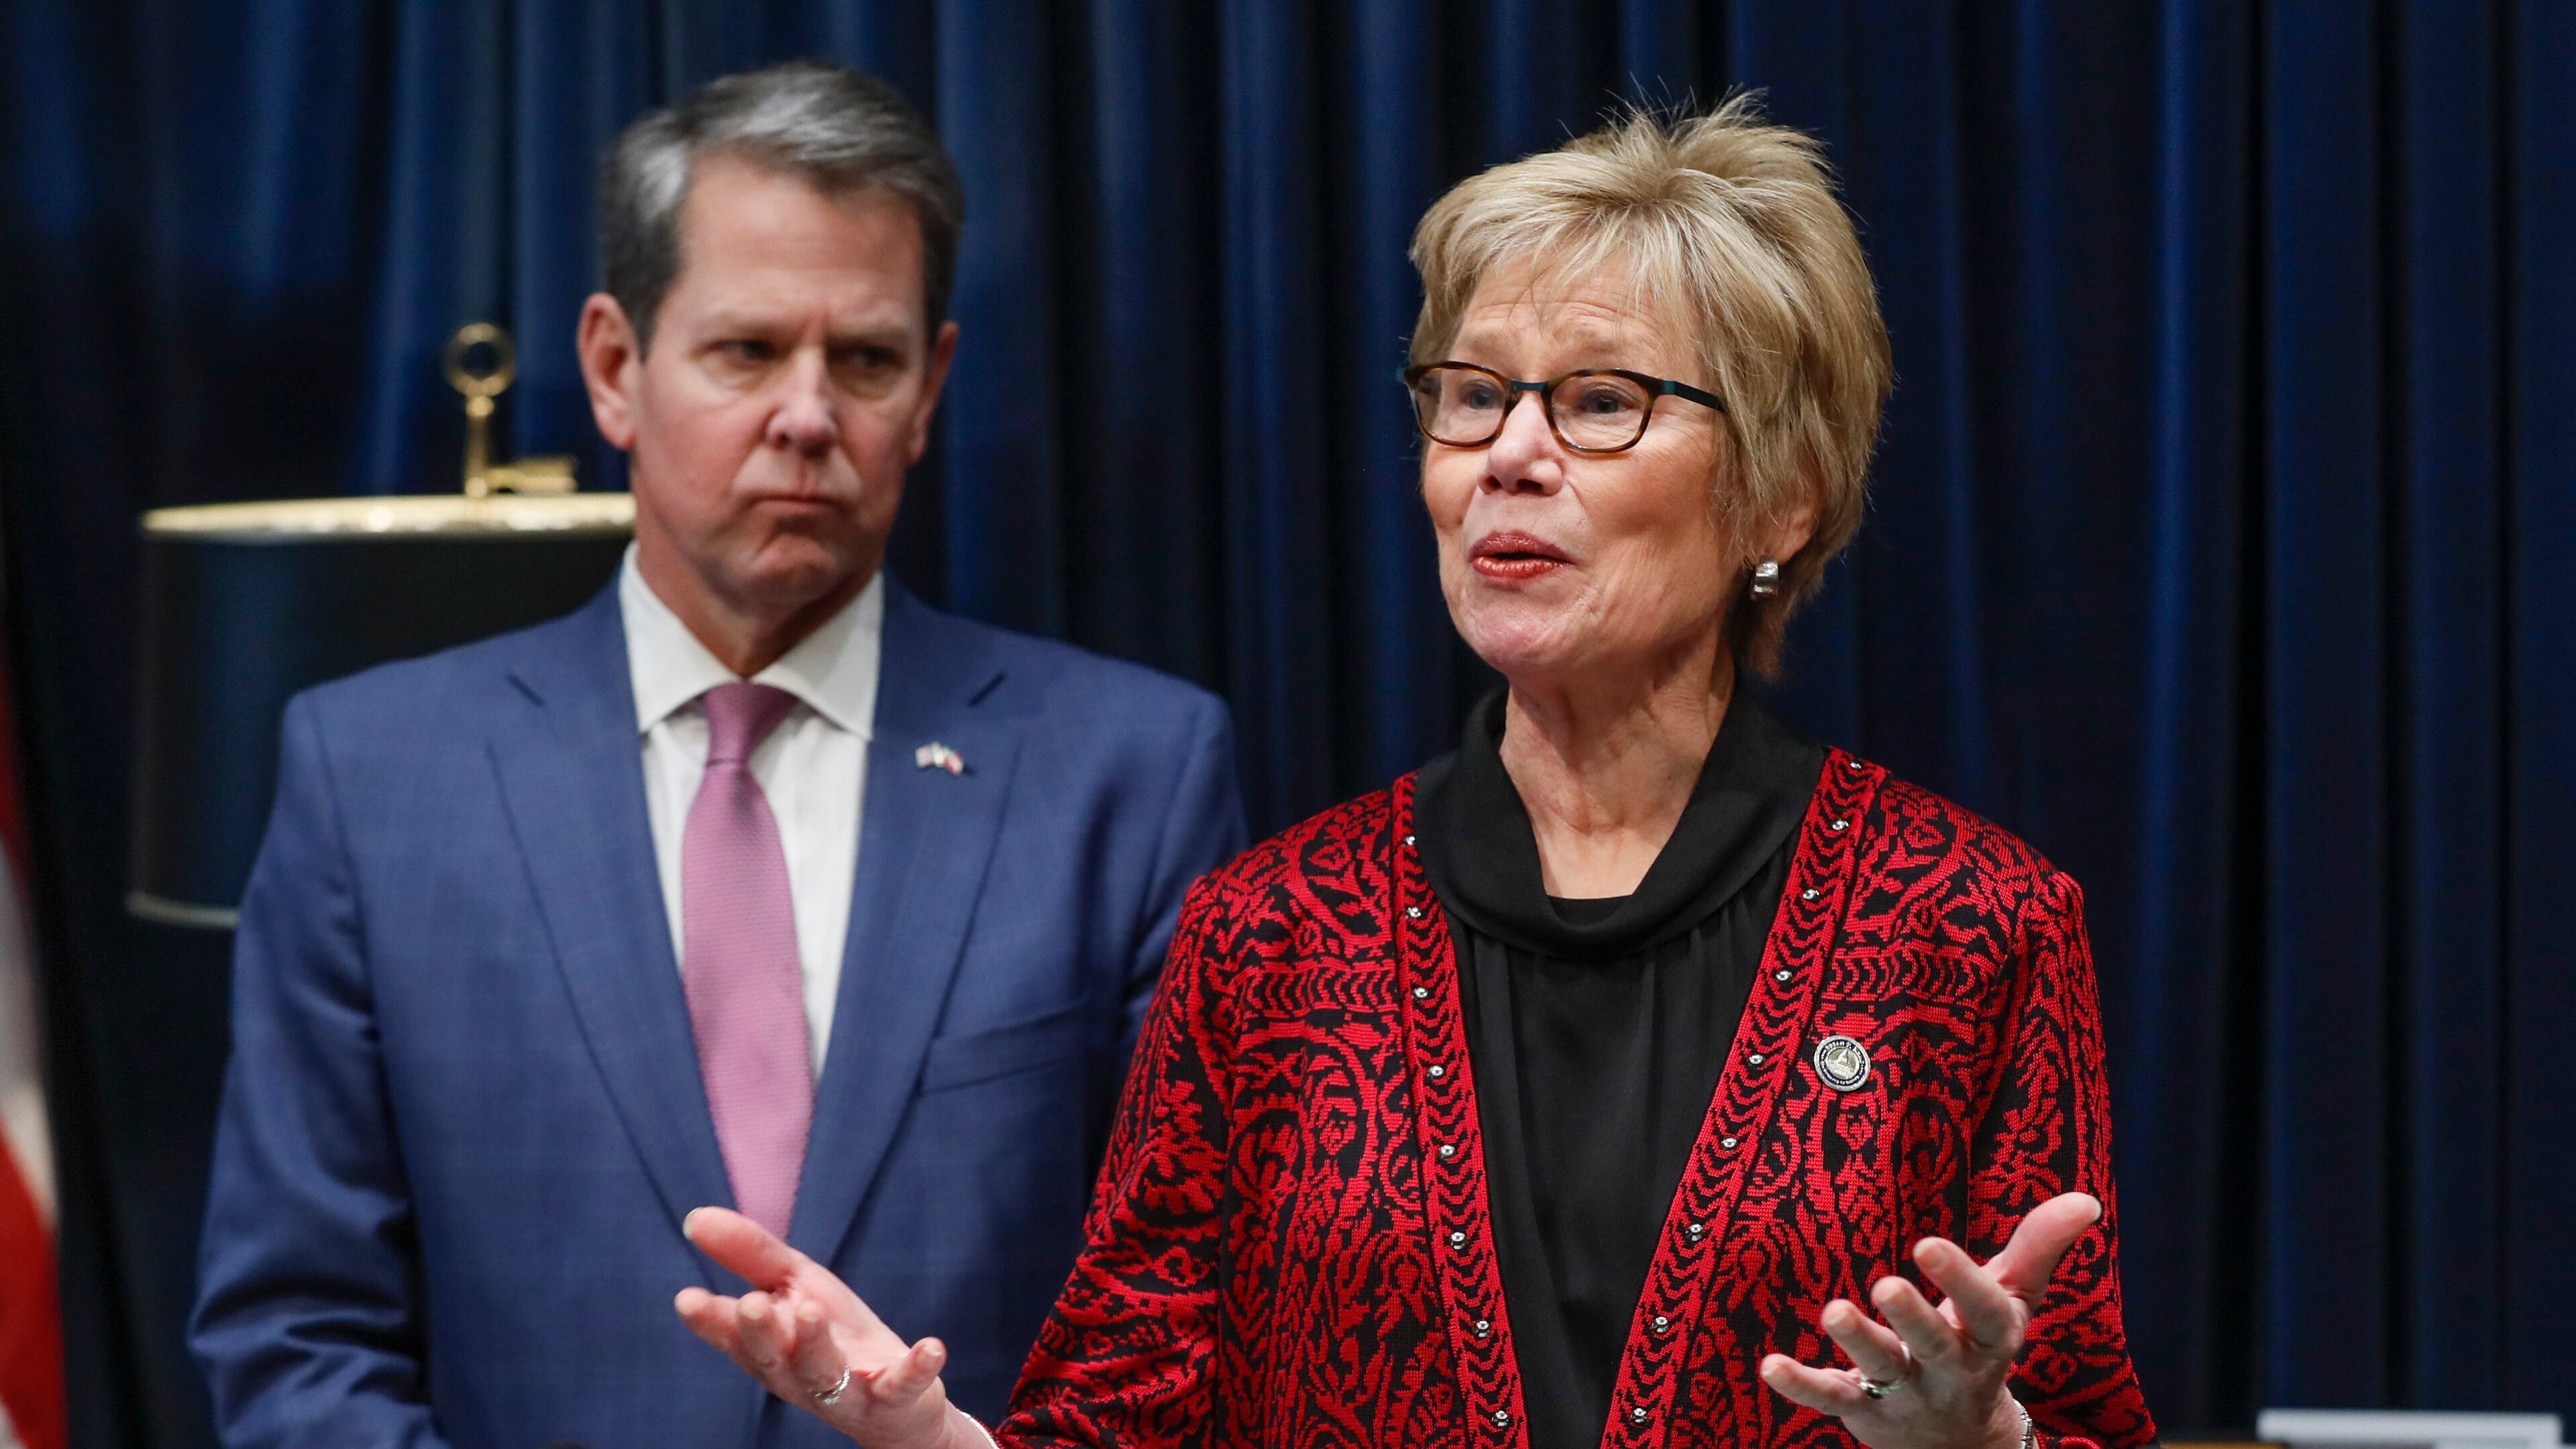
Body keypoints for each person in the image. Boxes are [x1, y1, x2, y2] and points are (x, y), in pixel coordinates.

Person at [674, 99, 2157, 1449]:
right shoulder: (1269, 933)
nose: (1509, 454)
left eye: (1597, 402)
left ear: (1780, 488)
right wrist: (934, 1438)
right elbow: (1118, 1421)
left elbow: (2082, 1418)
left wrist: (1988, 1444)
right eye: (1471, 396)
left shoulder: (1973, 926)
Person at [189, 61, 1245, 1447]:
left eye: (864, 360)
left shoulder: (1135, 775)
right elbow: (296, 1334)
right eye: (748, 352)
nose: (808, 416)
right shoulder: (373, 779)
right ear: (618, 370)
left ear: (929, 390)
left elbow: (1192, 1323)